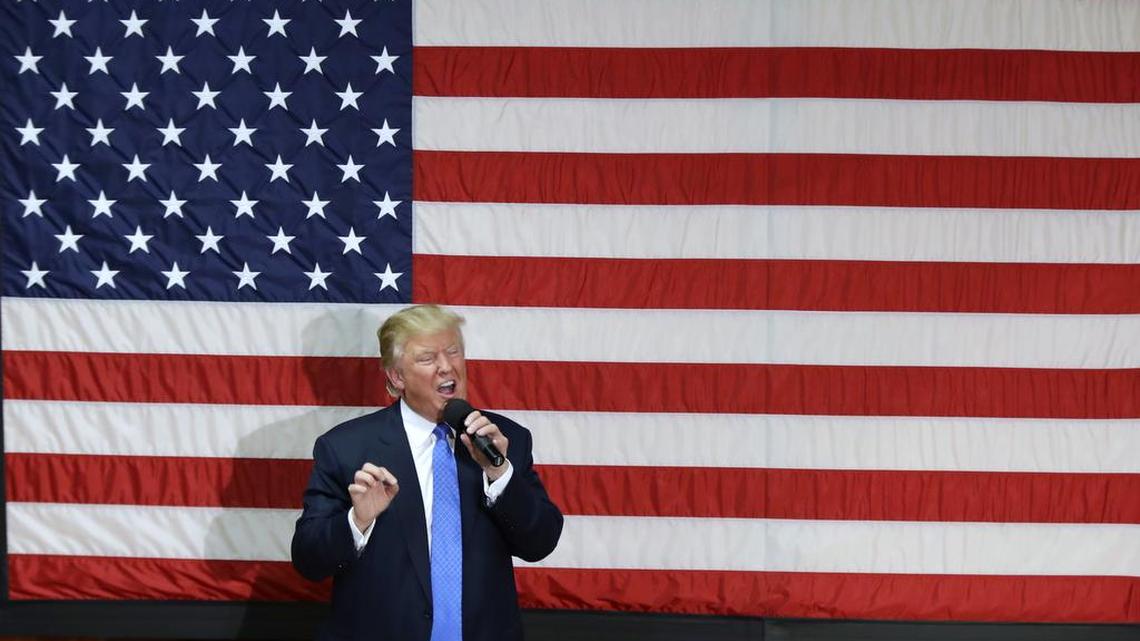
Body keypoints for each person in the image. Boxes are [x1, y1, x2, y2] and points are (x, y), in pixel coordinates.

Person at [292, 304, 564, 641]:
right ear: (397, 377)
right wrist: (357, 521)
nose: (447, 366)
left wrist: (500, 473)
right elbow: (309, 561)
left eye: (453, 351)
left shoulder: (506, 440)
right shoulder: (346, 449)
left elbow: (540, 543)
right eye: (428, 358)